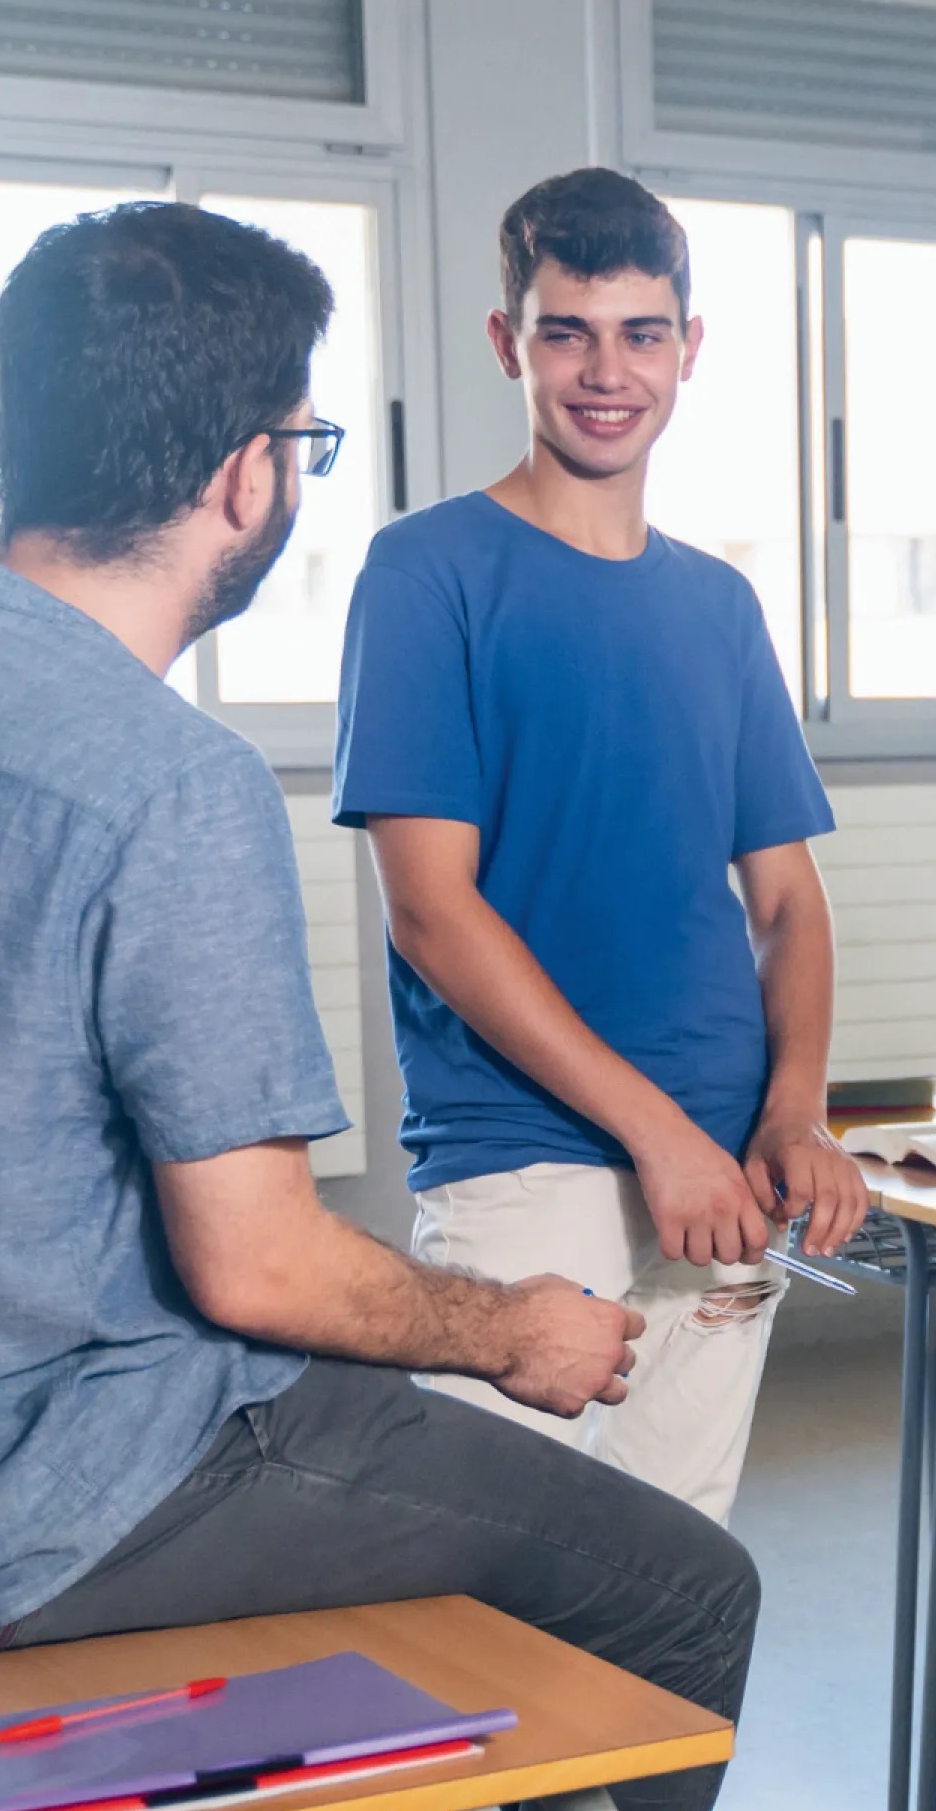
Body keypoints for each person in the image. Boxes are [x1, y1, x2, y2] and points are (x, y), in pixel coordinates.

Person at [0, 202, 754, 1811]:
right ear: (250, 477)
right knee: (689, 1585)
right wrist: (510, 1333)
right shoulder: (172, 781)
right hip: (24, 1493)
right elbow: (252, 1265)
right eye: (302, 442)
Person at [332, 167, 866, 1523]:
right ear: (510, 341)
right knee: (499, 1613)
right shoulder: (427, 572)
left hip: (726, 1179)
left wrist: (794, 1109)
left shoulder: (720, 606)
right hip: (525, 1166)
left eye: (641, 332)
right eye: (567, 330)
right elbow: (434, 914)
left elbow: (790, 904)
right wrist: (656, 1137)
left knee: (673, 1601)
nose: (606, 370)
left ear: (690, 350)